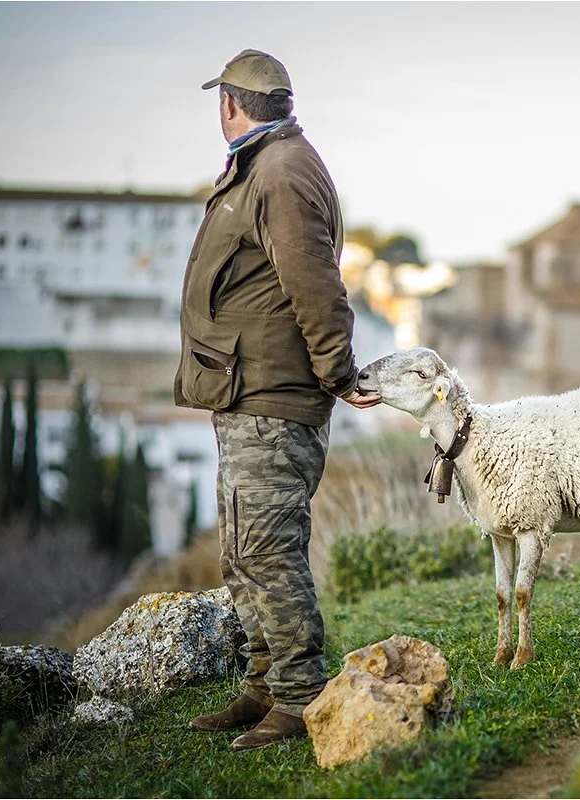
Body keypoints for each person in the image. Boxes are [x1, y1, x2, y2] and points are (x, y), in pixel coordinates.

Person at [177, 49, 380, 752]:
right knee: (242, 550)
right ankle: (264, 684)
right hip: (248, 391)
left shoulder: (282, 173)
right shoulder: (269, 162)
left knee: (268, 550)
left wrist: (339, 373)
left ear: (230, 104)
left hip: (274, 397)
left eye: (220, 101)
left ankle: (298, 698)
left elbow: (317, 288)